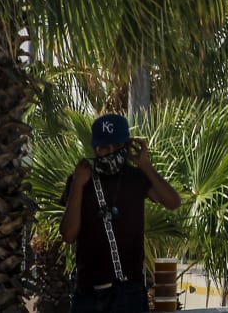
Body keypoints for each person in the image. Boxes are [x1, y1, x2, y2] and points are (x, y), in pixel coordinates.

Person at [61, 113, 181, 313]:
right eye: (103, 147)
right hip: (88, 291)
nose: (110, 152)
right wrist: (77, 185)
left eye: (116, 147)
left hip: (129, 291)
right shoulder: (80, 180)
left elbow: (173, 202)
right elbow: (68, 234)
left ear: (126, 146)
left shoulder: (136, 178)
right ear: (94, 148)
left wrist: (145, 164)